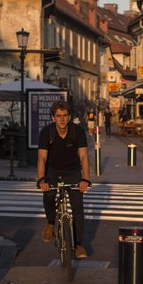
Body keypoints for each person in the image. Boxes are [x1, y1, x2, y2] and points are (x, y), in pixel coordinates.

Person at [37, 100, 91, 259]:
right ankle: (51, 223)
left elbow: (84, 157)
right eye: (58, 116)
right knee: (48, 194)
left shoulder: (78, 132)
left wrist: (85, 179)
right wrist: (41, 180)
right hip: (52, 170)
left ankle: (79, 244)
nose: (61, 119)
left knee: (77, 206)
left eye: (65, 116)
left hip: (72, 171)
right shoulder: (47, 132)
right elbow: (41, 158)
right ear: (53, 117)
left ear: (69, 117)